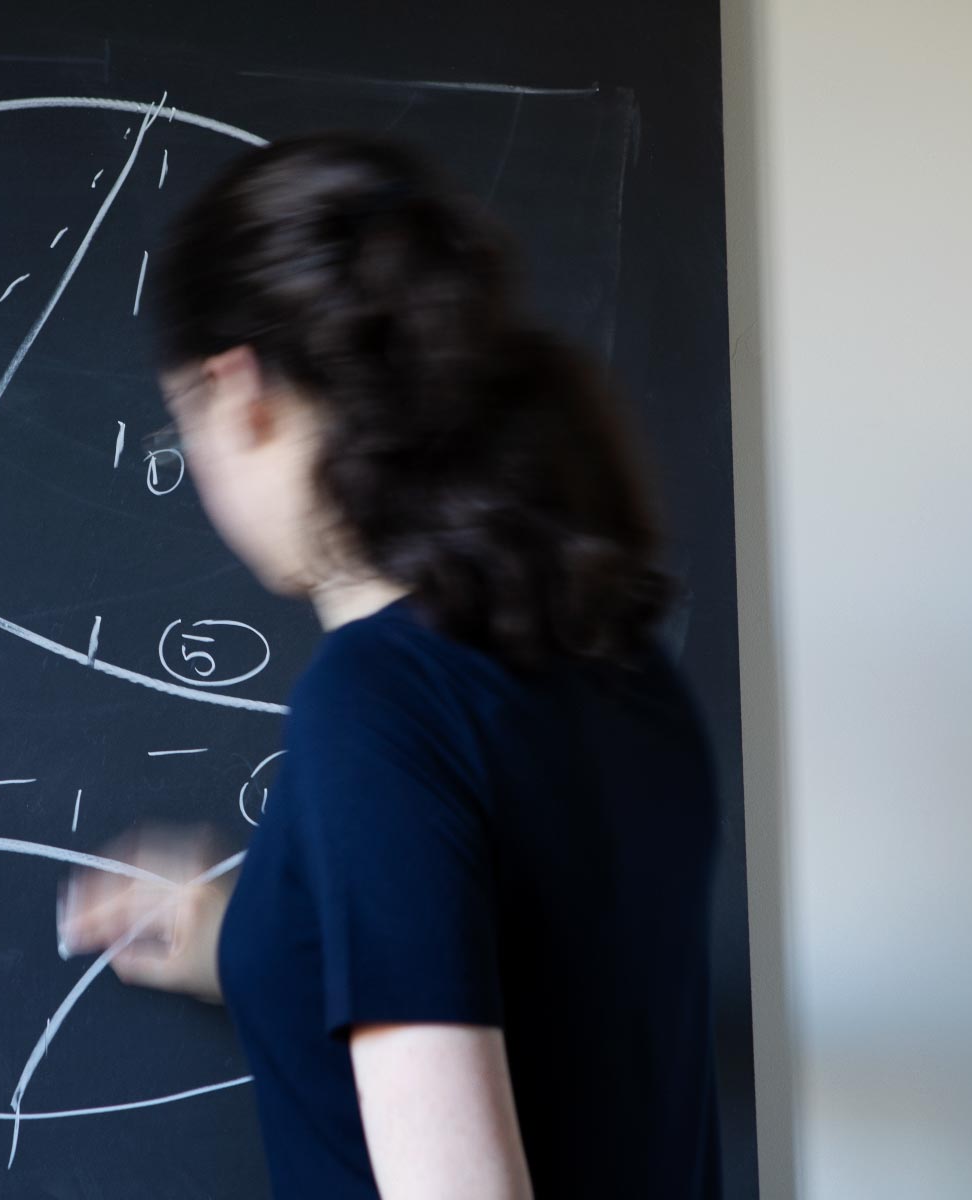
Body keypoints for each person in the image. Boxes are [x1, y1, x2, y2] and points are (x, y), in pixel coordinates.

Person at [56, 132, 723, 1199]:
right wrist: (239, 937)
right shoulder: (621, 667)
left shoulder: (376, 702)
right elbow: (523, 977)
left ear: (239, 390)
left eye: (184, 420)